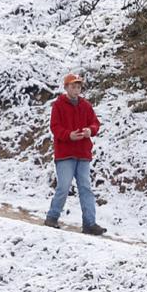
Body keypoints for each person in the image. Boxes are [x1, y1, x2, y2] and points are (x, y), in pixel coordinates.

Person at [45, 73, 106, 235]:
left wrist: (90, 130)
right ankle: (52, 217)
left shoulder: (86, 105)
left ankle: (90, 223)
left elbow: (95, 123)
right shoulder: (58, 105)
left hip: (83, 153)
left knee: (86, 188)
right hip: (65, 153)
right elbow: (55, 127)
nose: (76, 89)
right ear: (66, 88)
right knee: (63, 187)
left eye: (78, 86)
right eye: (73, 86)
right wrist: (68, 135)